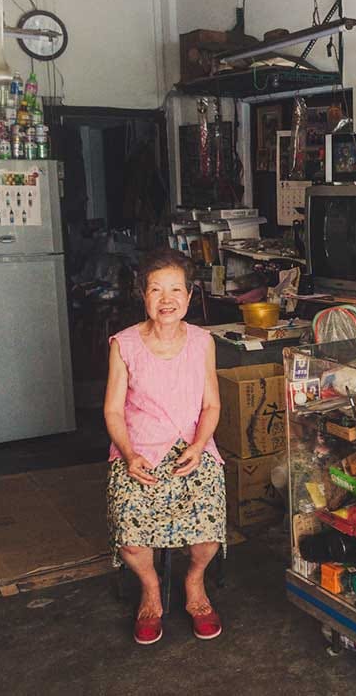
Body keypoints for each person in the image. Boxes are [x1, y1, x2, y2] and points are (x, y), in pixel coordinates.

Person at [104, 248, 225, 645]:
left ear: (190, 297)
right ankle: (151, 589)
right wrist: (128, 453)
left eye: (176, 290)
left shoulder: (203, 342)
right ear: (144, 296)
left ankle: (194, 584)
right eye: (157, 289)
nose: (167, 299)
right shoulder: (124, 344)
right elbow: (113, 411)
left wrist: (199, 444)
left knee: (208, 529)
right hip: (137, 451)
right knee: (130, 536)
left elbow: (211, 405)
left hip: (192, 449)